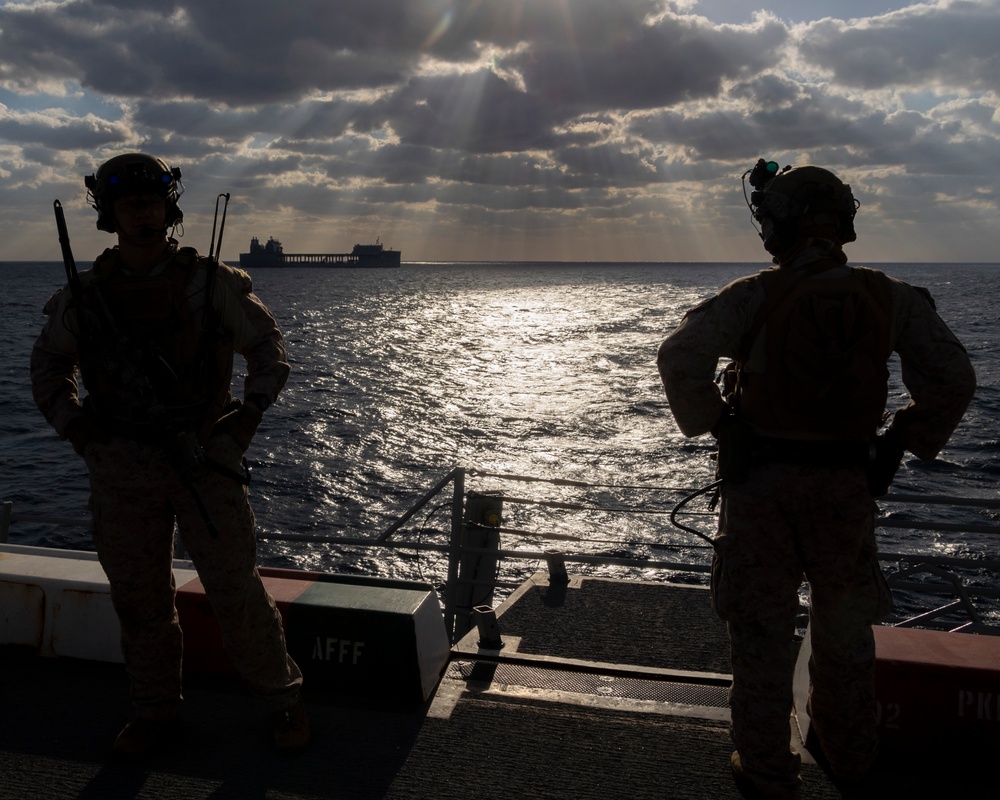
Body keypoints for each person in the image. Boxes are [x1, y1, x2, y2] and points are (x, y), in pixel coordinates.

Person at [657, 160, 975, 799]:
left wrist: (724, 427)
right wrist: (897, 444)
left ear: (780, 225)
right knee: (846, 634)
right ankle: (851, 757)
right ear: (842, 223)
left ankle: (769, 771)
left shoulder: (752, 297)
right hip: (844, 492)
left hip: (761, 494)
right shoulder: (892, 300)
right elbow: (953, 380)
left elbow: (679, 355)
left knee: (761, 634)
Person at [30, 153, 309, 757]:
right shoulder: (85, 296)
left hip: (205, 459)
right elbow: (49, 370)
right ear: (108, 214)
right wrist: (80, 435)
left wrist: (245, 422)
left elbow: (269, 351)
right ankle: (156, 712)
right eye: (128, 203)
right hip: (123, 469)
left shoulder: (210, 285)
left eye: (150, 201)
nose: (141, 212)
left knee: (236, 591)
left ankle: (282, 700)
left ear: (168, 206)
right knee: (140, 599)